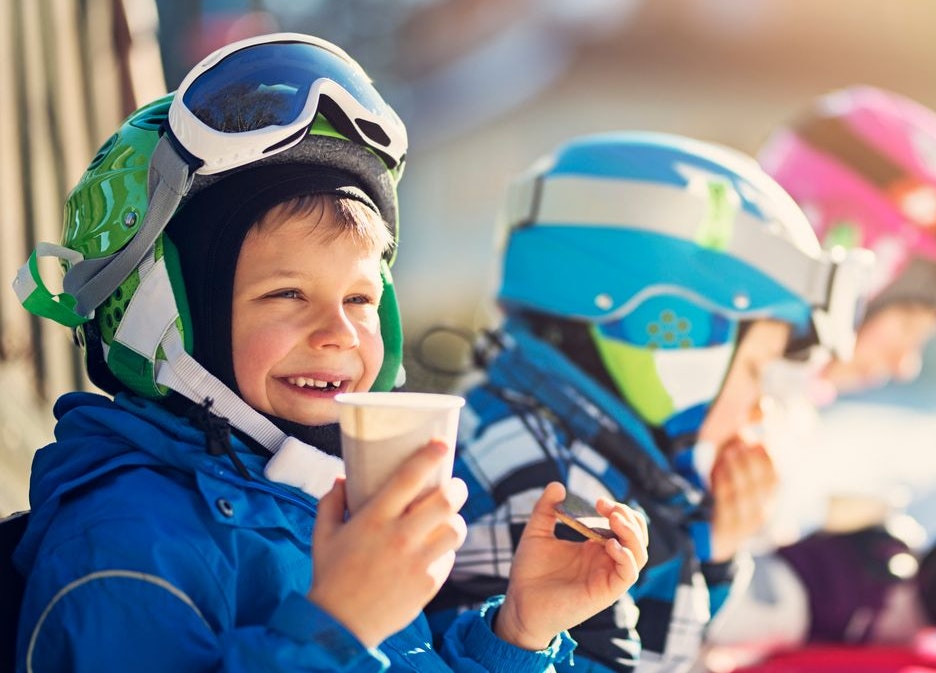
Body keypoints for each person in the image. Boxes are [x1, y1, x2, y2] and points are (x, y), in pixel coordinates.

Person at [9, 33, 646, 673]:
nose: (338, 333)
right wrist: (338, 627)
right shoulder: (128, 546)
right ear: (163, 314)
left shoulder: (313, 503)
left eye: (362, 299)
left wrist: (518, 635)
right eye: (287, 293)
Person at [426, 131, 875, 673]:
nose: (760, 408)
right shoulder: (547, 488)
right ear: (672, 336)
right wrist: (698, 547)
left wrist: (714, 552)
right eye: (755, 371)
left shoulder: (572, 448)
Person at [704, 85, 936, 661]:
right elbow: (632, 614)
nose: (905, 363)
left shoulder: (778, 406)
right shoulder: (701, 395)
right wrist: (814, 588)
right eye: (914, 322)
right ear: (858, 264)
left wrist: (924, 598)